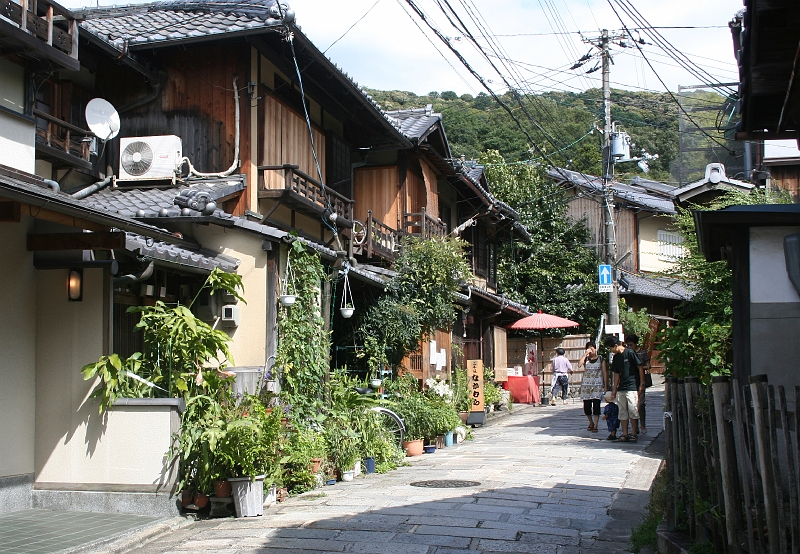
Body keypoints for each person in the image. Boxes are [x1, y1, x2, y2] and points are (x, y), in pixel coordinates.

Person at [603, 335, 645, 443]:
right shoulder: (616, 357)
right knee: (622, 412)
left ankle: (634, 433)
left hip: (632, 386)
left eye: (611, 348)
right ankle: (625, 433)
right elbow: (616, 373)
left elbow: (640, 367)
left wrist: (641, 383)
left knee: (633, 410)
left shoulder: (630, 353)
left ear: (616, 345)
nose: (611, 351)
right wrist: (614, 389)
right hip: (621, 387)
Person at [578, 341, 607, 432]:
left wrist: (605, 385)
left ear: (595, 348)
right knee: (587, 406)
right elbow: (579, 365)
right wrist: (585, 354)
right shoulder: (586, 359)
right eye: (589, 348)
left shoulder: (601, 359)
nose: (591, 350)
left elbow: (605, 372)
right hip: (586, 386)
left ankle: (596, 424)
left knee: (596, 404)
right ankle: (591, 422)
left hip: (597, 385)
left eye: (592, 348)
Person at [625, 334, 650, 434]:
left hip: (641, 380)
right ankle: (635, 427)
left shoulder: (643, 353)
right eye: (628, 345)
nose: (629, 347)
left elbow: (648, 366)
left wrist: (639, 367)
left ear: (636, 344)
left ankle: (642, 424)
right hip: (631, 381)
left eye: (631, 345)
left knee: (640, 404)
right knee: (631, 404)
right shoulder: (627, 354)